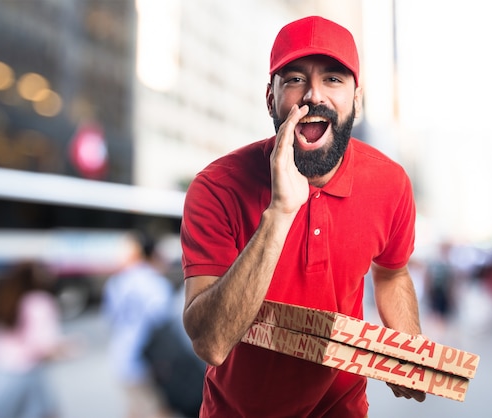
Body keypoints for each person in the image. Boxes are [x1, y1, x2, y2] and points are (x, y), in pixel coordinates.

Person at [181, 15, 425, 417]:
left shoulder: (391, 183)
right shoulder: (216, 187)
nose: (313, 95)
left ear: (356, 101)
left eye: (333, 79)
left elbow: (392, 271)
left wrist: (408, 346)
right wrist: (279, 212)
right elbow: (210, 343)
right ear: (270, 98)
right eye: (294, 79)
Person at [0, 261, 74, 418]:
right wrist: (68, 348)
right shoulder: (39, 301)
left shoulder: (4, 297)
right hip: (27, 374)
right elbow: (44, 346)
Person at [102, 232, 177, 418]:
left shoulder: (116, 282)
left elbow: (109, 319)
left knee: (136, 409)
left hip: (121, 356)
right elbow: (164, 325)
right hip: (148, 362)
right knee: (158, 410)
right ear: (153, 254)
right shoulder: (156, 283)